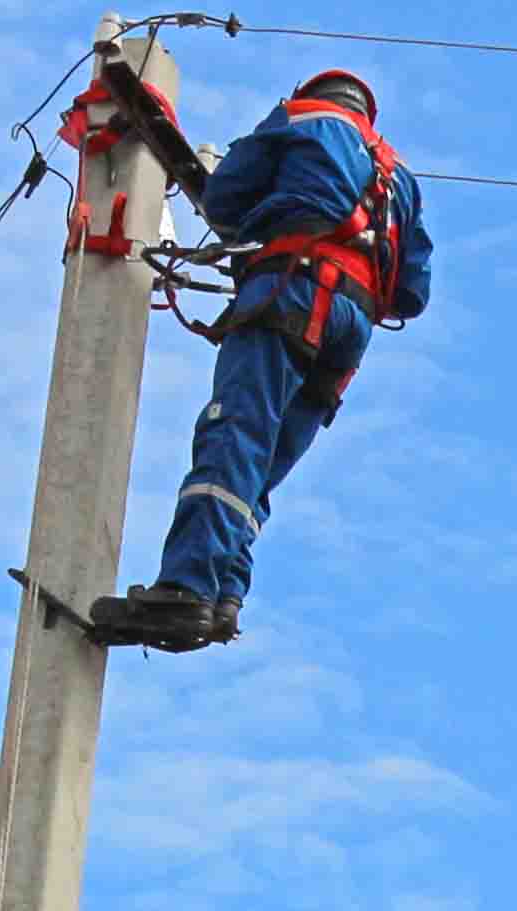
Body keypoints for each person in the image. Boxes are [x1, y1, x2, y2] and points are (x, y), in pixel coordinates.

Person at [95, 70, 434, 652]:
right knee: (263, 464)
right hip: (347, 332)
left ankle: (187, 589)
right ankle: (224, 600)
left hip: (294, 293)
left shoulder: (299, 117)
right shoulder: (397, 177)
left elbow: (227, 196)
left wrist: (275, 223)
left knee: (236, 437)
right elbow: (412, 291)